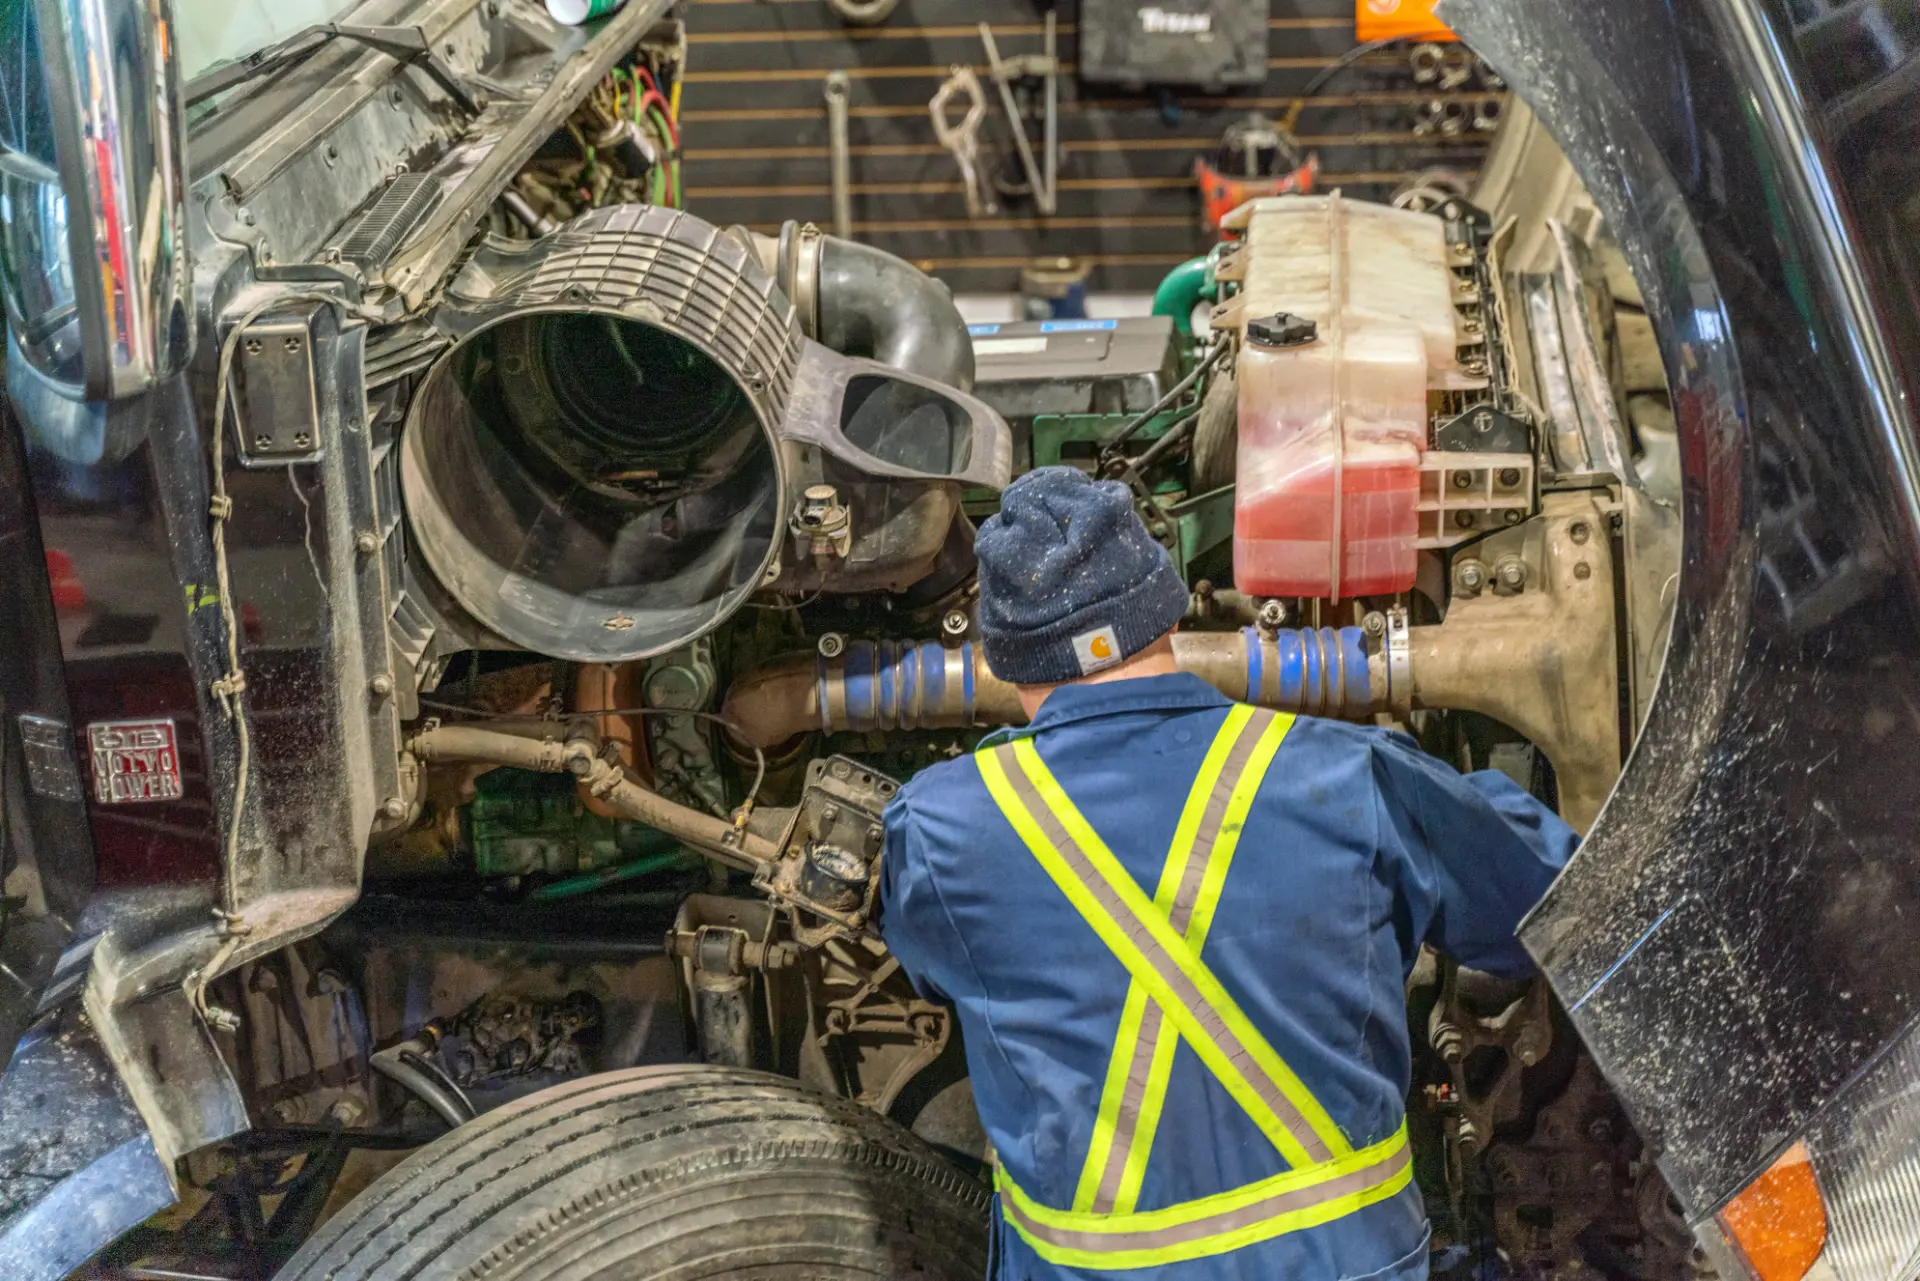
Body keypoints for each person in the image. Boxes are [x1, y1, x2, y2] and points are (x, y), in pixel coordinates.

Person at [879, 467, 1578, 1281]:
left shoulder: (941, 826)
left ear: (1003, 656)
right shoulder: (1350, 776)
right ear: (1169, 609)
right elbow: (1551, 904)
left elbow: (931, 971)